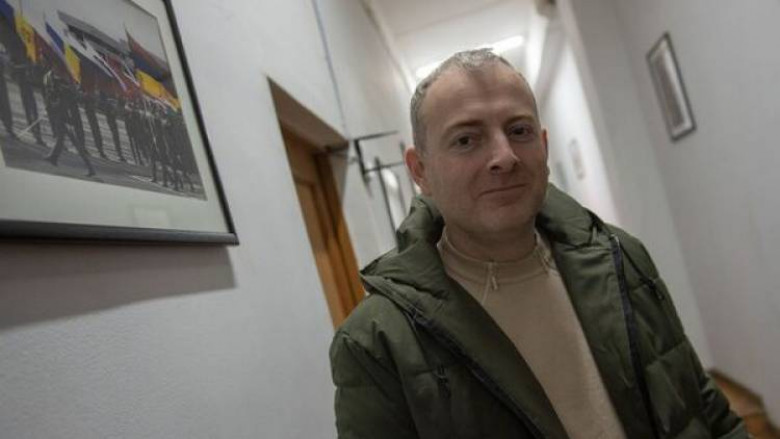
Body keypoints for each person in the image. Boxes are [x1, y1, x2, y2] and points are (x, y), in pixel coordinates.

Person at [329, 49, 747, 439]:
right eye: (466, 139)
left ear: (543, 147)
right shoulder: (376, 342)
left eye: (519, 130)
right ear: (420, 170)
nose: (504, 156)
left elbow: (705, 410)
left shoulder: (621, 257)